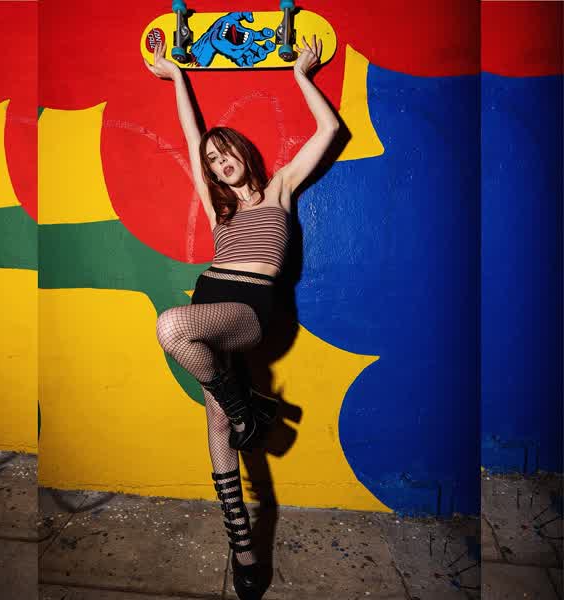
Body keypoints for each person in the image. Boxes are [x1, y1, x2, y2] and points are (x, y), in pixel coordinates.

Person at [145, 34, 339, 600]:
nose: (217, 161)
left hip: (251, 309)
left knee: (169, 327)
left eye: (224, 151)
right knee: (218, 429)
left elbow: (329, 130)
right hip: (211, 302)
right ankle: (244, 547)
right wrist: (177, 77)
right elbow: (190, 136)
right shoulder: (218, 208)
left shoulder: (280, 190)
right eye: (211, 159)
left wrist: (302, 75)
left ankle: (245, 407)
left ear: (243, 153)